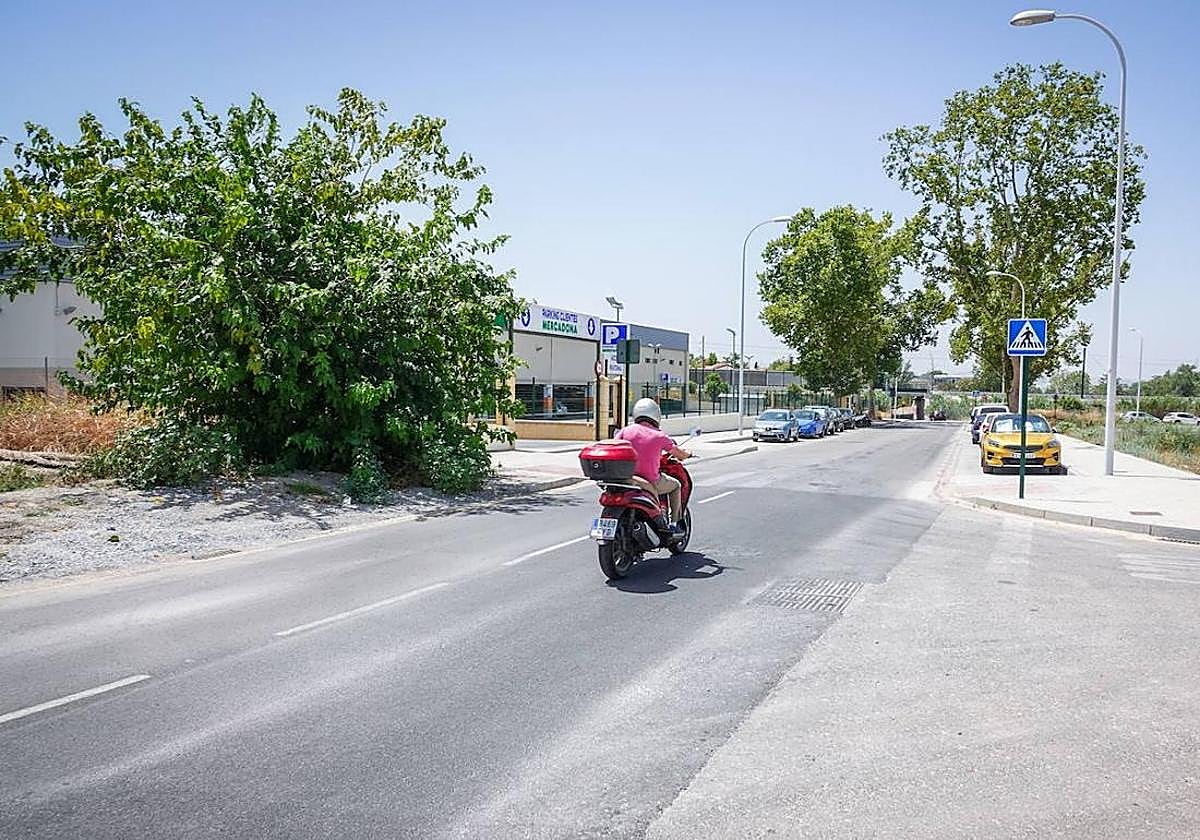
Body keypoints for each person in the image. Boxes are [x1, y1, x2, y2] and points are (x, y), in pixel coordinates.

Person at [616, 398, 692, 535]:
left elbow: (614, 446)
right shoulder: (659, 435)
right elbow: (678, 453)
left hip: (626, 478)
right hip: (651, 481)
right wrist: (688, 454)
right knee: (676, 486)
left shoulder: (625, 431)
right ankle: (674, 524)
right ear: (656, 415)